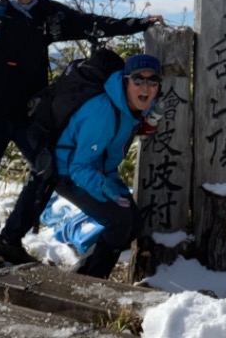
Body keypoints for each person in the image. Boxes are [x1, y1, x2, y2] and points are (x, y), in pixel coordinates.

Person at [0, 0, 164, 271]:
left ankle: (9, 242)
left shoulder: (47, 13)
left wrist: (138, 24)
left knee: (47, 171)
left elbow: (92, 24)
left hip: (27, 114)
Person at [54, 53, 162, 279]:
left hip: (99, 171)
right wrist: (104, 186)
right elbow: (78, 167)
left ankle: (83, 274)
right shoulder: (103, 113)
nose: (146, 86)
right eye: (138, 80)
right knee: (119, 222)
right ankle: (93, 282)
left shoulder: (130, 108)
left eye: (153, 81)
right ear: (125, 81)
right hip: (67, 173)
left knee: (133, 225)